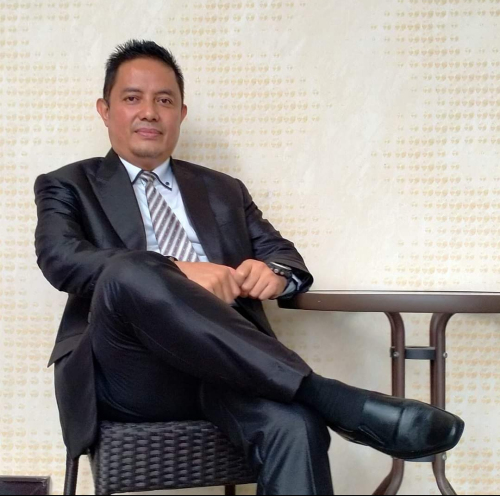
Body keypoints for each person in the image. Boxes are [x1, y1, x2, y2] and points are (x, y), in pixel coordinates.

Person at [34, 40, 464, 495]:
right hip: (131, 372)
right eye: (132, 98)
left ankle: (317, 403)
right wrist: (179, 269)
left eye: (164, 100)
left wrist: (274, 273)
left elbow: (285, 257)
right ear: (105, 110)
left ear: (181, 113)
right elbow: (61, 259)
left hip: (229, 369)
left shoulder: (222, 190)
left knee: (296, 426)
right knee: (130, 271)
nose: (149, 112)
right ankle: (332, 398)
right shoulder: (68, 184)